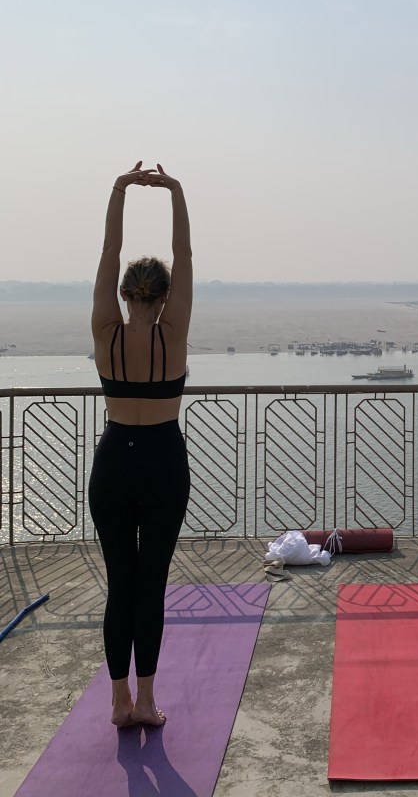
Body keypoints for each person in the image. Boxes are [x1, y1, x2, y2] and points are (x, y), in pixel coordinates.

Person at [88, 162, 192, 728]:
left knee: (119, 584)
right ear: (166, 295)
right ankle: (147, 702)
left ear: (127, 293)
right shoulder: (171, 336)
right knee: (149, 585)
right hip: (162, 463)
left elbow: (108, 255)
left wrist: (119, 190)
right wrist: (175, 192)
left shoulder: (107, 332)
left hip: (113, 464)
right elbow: (187, 257)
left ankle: (118, 702)